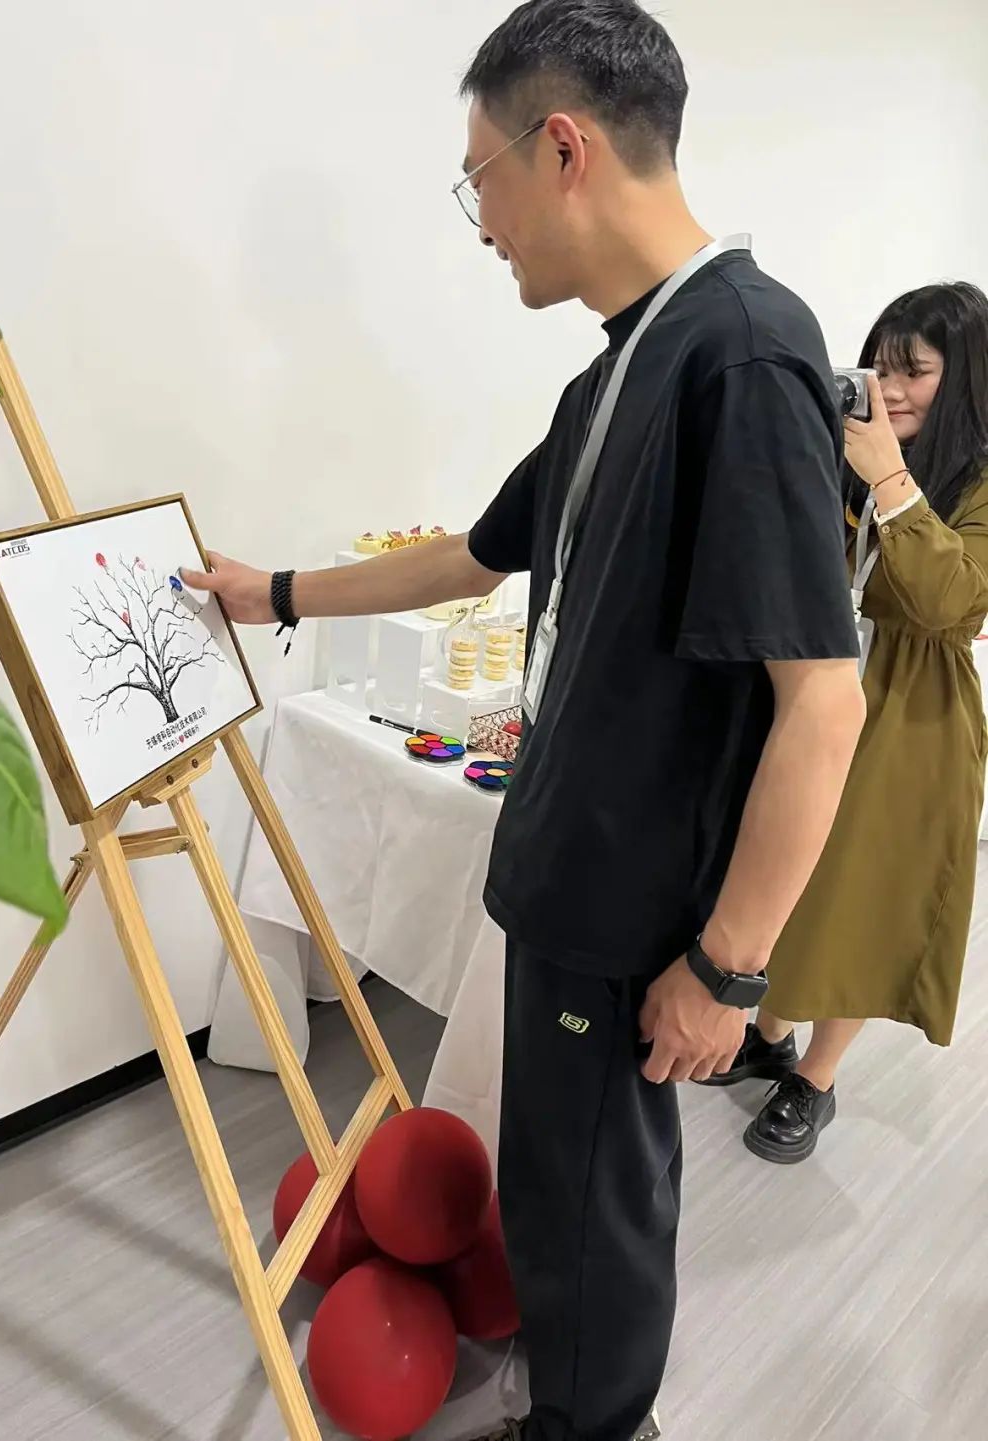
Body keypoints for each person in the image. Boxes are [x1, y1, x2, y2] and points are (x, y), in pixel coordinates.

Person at [183, 3, 866, 1437]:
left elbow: (823, 697)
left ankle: (594, 1425)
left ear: (562, 149)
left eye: (477, 179)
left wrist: (728, 968)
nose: (481, 223)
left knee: (600, 1213)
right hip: (561, 880)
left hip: (634, 922)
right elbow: (472, 556)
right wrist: (277, 591)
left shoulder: (744, 355)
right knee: (554, 1189)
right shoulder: (613, 371)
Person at [703, 281, 988, 1165]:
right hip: (813, 689)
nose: (890, 389)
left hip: (912, 714)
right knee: (790, 866)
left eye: (916, 371)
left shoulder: (974, 478)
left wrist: (891, 480)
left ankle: (816, 1077)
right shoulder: (845, 450)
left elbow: (952, 604)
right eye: (880, 367)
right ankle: (770, 1033)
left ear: (964, 377)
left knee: (865, 895)